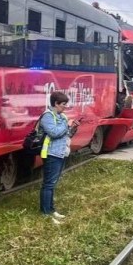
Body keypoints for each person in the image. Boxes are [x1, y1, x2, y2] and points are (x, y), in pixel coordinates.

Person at [39, 91, 78, 224]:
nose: (65, 107)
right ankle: (45, 212)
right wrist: (66, 125)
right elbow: (54, 133)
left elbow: (66, 135)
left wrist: (73, 128)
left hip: (61, 152)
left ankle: (51, 209)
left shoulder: (62, 117)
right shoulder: (47, 116)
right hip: (51, 153)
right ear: (55, 103)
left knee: (52, 183)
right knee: (48, 184)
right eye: (63, 104)